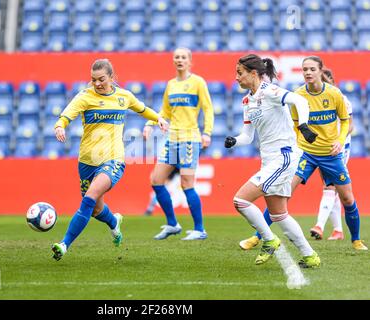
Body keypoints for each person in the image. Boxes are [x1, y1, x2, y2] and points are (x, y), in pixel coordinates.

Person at [239, 56, 367, 252]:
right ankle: (257, 237)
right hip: (305, 154)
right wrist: (298, 145)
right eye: (304, 69)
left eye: (311, 69)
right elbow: (294, 125)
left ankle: (356, 240)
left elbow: (347, 123)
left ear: (320, 71)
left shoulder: (335, 94)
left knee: (347, 199)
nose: (307, 72)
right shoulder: (298, 94)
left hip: (331, 154)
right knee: (281, 192)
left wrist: (339, 142)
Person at [51, 59, 169, 260]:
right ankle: (114, 222)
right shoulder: (84, 97)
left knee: (89, 198)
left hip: (113, 160)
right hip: (87, 161)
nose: (97, 84)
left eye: (101, 79)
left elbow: (141, 109)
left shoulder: (123, 96)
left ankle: (64, 244)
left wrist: (157, 118)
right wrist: (60, 126)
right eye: (93, 80)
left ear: (112, 78)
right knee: (96, 209)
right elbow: (65, 116)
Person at [225, 54, 321, 267]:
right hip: (269, 160)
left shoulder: (270, 91)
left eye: (239, 73)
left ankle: (269, 239)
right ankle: (310, 256)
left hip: (284, 155)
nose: (236, 78)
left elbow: (300, 100)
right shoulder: (247, 100)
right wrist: (235, 141)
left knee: (240, 200)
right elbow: (248, 136)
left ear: (253, 73)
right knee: (279, 215)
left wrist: (303, 126)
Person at [142, 47, 214, 240]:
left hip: (190, 140)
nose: (180, 60)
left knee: (187, 184)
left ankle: (200, 229)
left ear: (190, 61)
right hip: (172, 140)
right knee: (156, 179)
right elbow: (164, 111)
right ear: (173, 61)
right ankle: (173, 224)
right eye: (177, 57)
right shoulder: (171, 85)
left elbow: (208, 109)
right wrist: (150, 124)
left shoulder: (198, 82)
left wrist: (207, 133)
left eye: (183, 57)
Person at [310, 68, 354, 241]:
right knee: (332, 188)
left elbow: (350, 125)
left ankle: (319, 225)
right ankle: (338, 230)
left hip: (340, 147)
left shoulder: (341, 98)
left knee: (331, 187)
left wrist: (339, 139)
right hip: (323, 147)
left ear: (332, 82)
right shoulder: (315, 100)